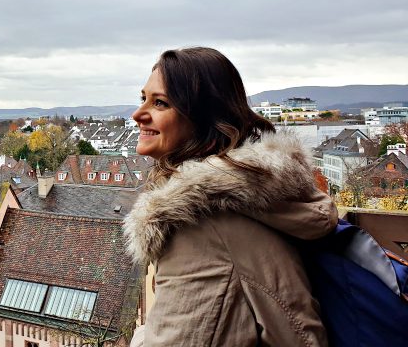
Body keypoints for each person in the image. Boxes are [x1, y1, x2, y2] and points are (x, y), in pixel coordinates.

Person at [124, 47, 337, 346]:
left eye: (160, 103)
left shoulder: (213, 216)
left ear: (203, 117)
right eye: (143, 98)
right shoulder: (215, 204)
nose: (138, 114)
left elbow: (301, 334)